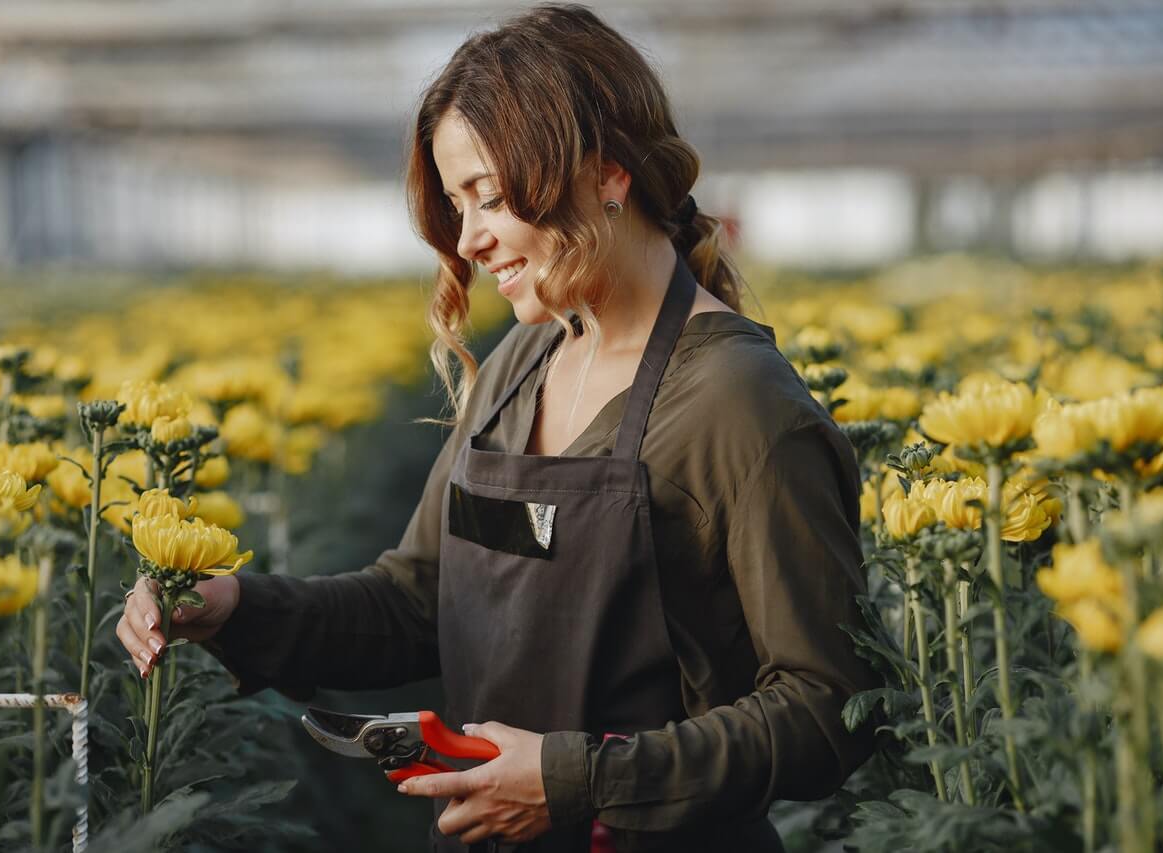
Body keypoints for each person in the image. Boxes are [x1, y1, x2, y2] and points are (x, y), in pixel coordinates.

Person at [116, 4, 882, 850]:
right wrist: (233, 608)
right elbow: (416, 601)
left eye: (488, 196)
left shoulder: (736, 401)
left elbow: (827, 707)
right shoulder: (523, 362)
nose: (471, 238)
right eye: (455, 203)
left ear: (606, 173)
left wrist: (577, 781)